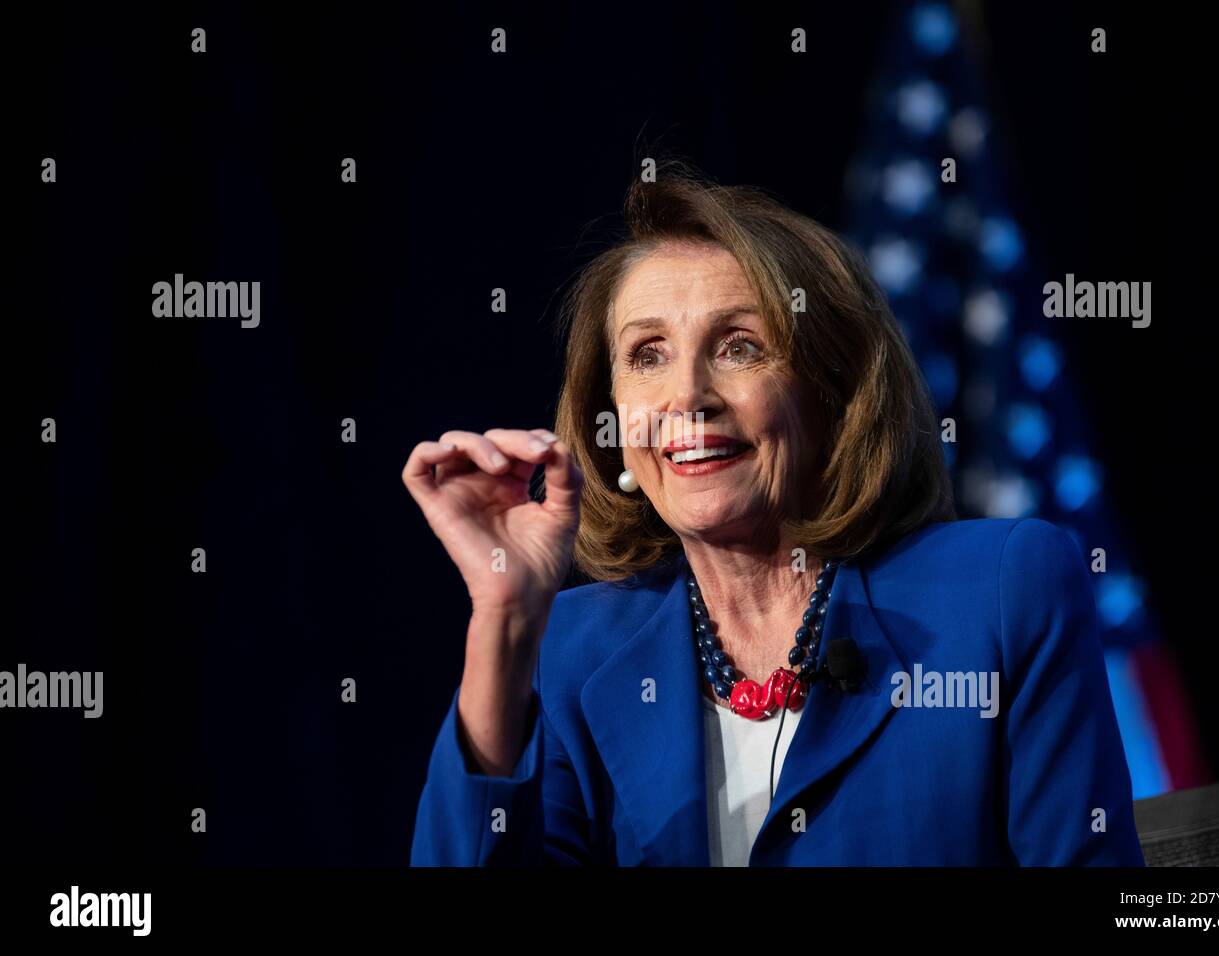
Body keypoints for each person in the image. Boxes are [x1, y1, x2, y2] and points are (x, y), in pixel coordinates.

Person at [402, 167, 1145, 866]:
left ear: (833, 390)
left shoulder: (998, 595)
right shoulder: (573, 653)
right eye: (648, 355)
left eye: (740, 346)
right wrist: (502, 618)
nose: (687, 397)